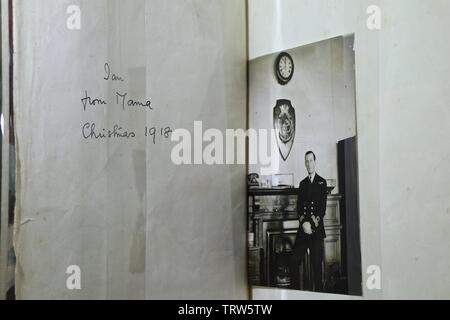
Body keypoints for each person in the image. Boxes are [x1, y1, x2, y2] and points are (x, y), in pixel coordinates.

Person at [290, 151, 328, 291]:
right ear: (305, 164)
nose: (309, 164)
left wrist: (311, 224)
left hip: (316, 230)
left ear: (315, 162)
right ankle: (294, 295)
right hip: (303, 229)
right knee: (294, 261)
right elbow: (299, 208)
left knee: (317, 267)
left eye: (311, 160)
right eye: (306, 161)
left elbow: (322, 209)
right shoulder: (302, 183)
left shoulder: (321, 182)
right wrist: (303, 223)